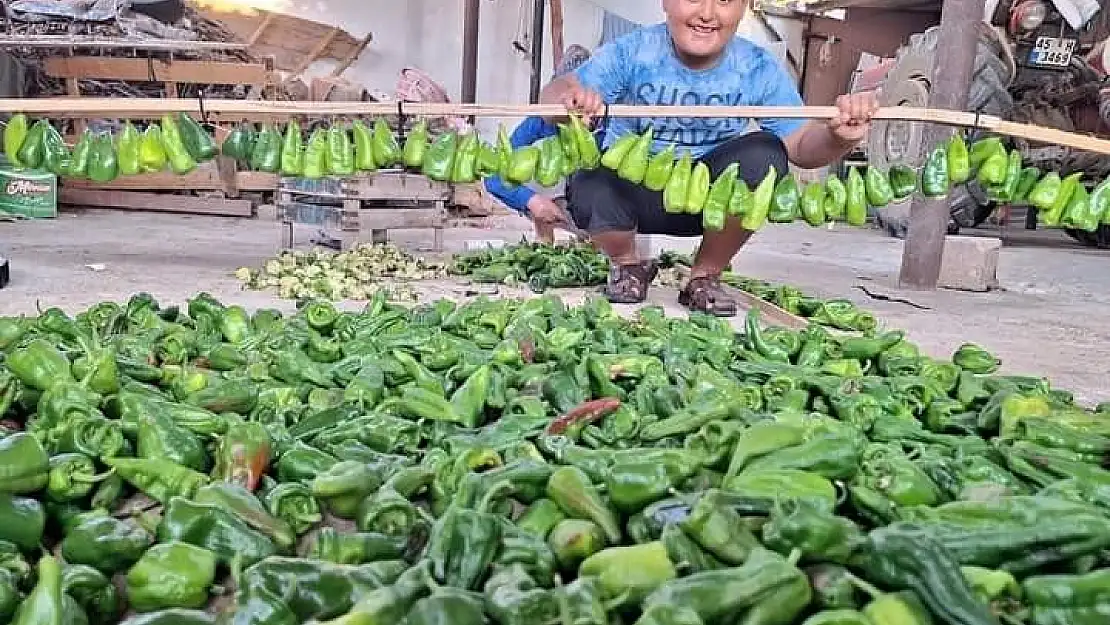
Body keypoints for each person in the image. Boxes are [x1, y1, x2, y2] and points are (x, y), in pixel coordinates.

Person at [541, 0, 879, 316]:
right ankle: (628, 266)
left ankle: (704, 276)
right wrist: (569, 100)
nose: (707, 13)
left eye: (724, 0)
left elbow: (802, 146)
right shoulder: (631, 52)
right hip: (633, 195)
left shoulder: (756, 67)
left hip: (708, 202)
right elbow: (554, 93)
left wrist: (837, 137)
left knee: (764, 154)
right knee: (588, 173)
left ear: (744, 7)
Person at [484, 45, 593, 244]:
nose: (571, 106)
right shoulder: (540, 124)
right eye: (565, 99)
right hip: (554, 210)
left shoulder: (607, 124)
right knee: (532, 157)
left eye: (578, 102)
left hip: (599, 215)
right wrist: (530, 200)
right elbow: (494, 175)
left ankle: (602, 244)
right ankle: (544, 239)